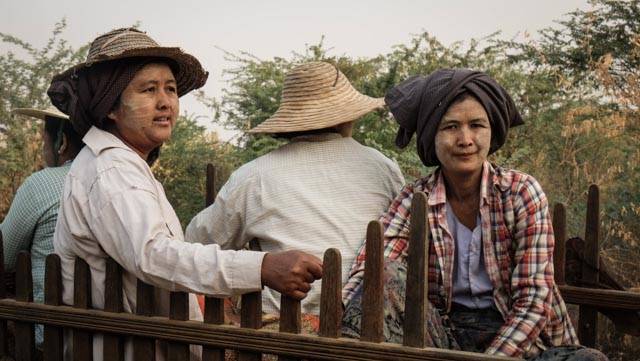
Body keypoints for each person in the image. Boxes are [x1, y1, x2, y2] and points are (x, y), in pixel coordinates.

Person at [47, 27, 321, 361]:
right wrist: (262, 267)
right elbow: (154, 254)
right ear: (110, 107)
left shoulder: (123, 163)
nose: (165, 102)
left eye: (171, 89)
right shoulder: (112, 171)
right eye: (148, 90)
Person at [341, 69, 608, 361]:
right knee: (385, 273)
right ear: (432, 137)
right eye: (451, 127)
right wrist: (339, 312)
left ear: (491, 131)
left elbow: (533, 301)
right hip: (443, 339)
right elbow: (374, 268)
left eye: (476, 125)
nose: (465, 139)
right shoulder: (414, 200)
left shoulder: (520, 192)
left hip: (521, 344)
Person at [186, 61, 405, 315]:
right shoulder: (383, 168)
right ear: (349, 117)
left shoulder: (254, 176)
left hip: (283, 330)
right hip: (371, 324)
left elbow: (196, 243)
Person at [1, 106, 83, 347]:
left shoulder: (42, 183)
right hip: (111, 341)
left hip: (48, 341)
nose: (43, 147)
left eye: (44, 140)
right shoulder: (116, 182)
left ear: (62, 142)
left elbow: (4, 256)